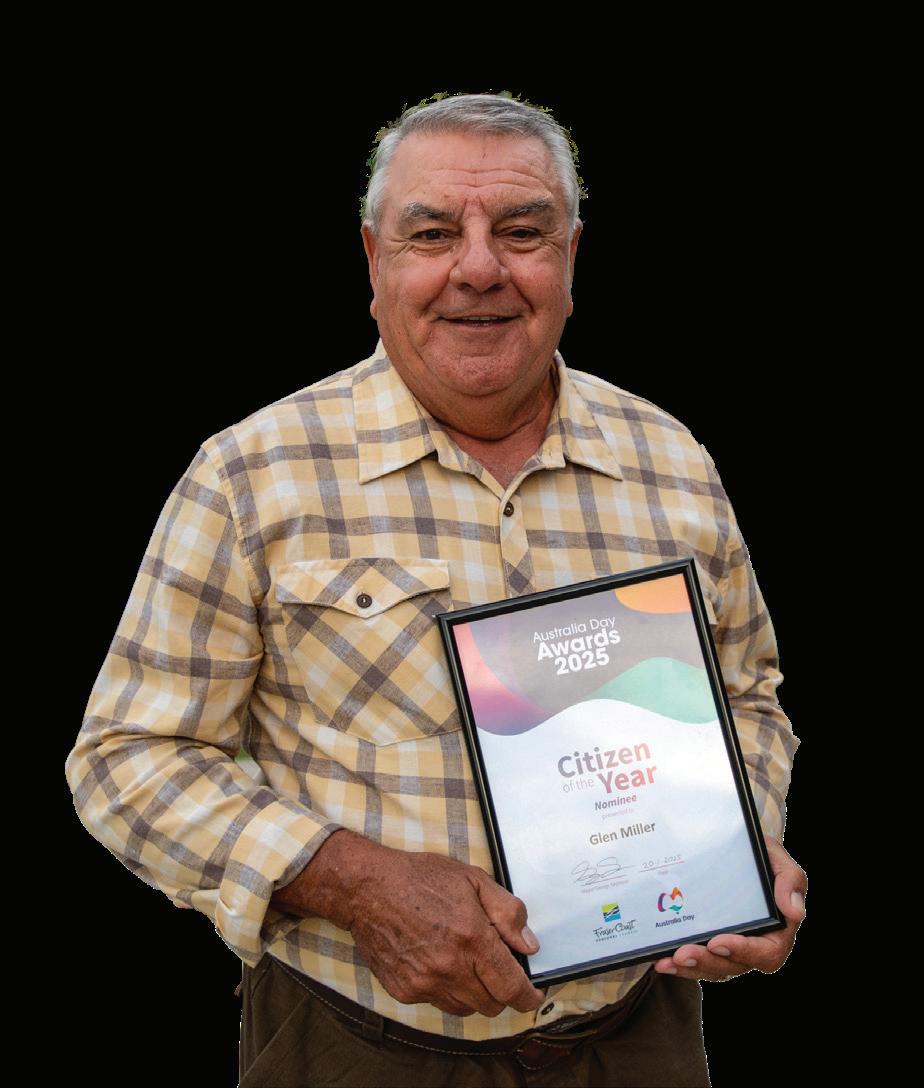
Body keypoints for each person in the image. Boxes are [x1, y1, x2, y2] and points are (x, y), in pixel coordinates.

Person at [65, 92, 805, 1087]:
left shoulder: (671, 461)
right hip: (356, 1048)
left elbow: (749, 693)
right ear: (375, 260)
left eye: (522, 231)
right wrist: (352, 880)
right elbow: (127, 757)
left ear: (571, 257)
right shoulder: (251, 475)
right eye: (432, 233)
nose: (480, 267)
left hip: (641, 1036)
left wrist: (738, 849)